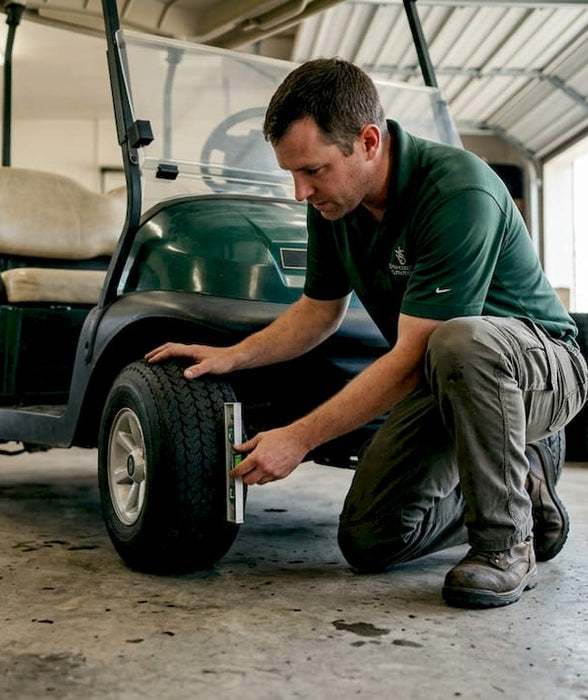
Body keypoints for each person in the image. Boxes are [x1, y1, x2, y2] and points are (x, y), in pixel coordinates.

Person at [145, 58, 588, 608]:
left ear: (369, 141)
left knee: (460, 341)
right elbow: (316, 313)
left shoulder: (457, 190)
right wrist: (233, 357)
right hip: (447, 380)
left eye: (313, 171)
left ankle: (505, 545)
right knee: (369, 540)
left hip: (540, 372)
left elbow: (411, 358)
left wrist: (299, 437)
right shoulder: (337, 205)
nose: (299, 192)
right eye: (292, 173)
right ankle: (522, 487)